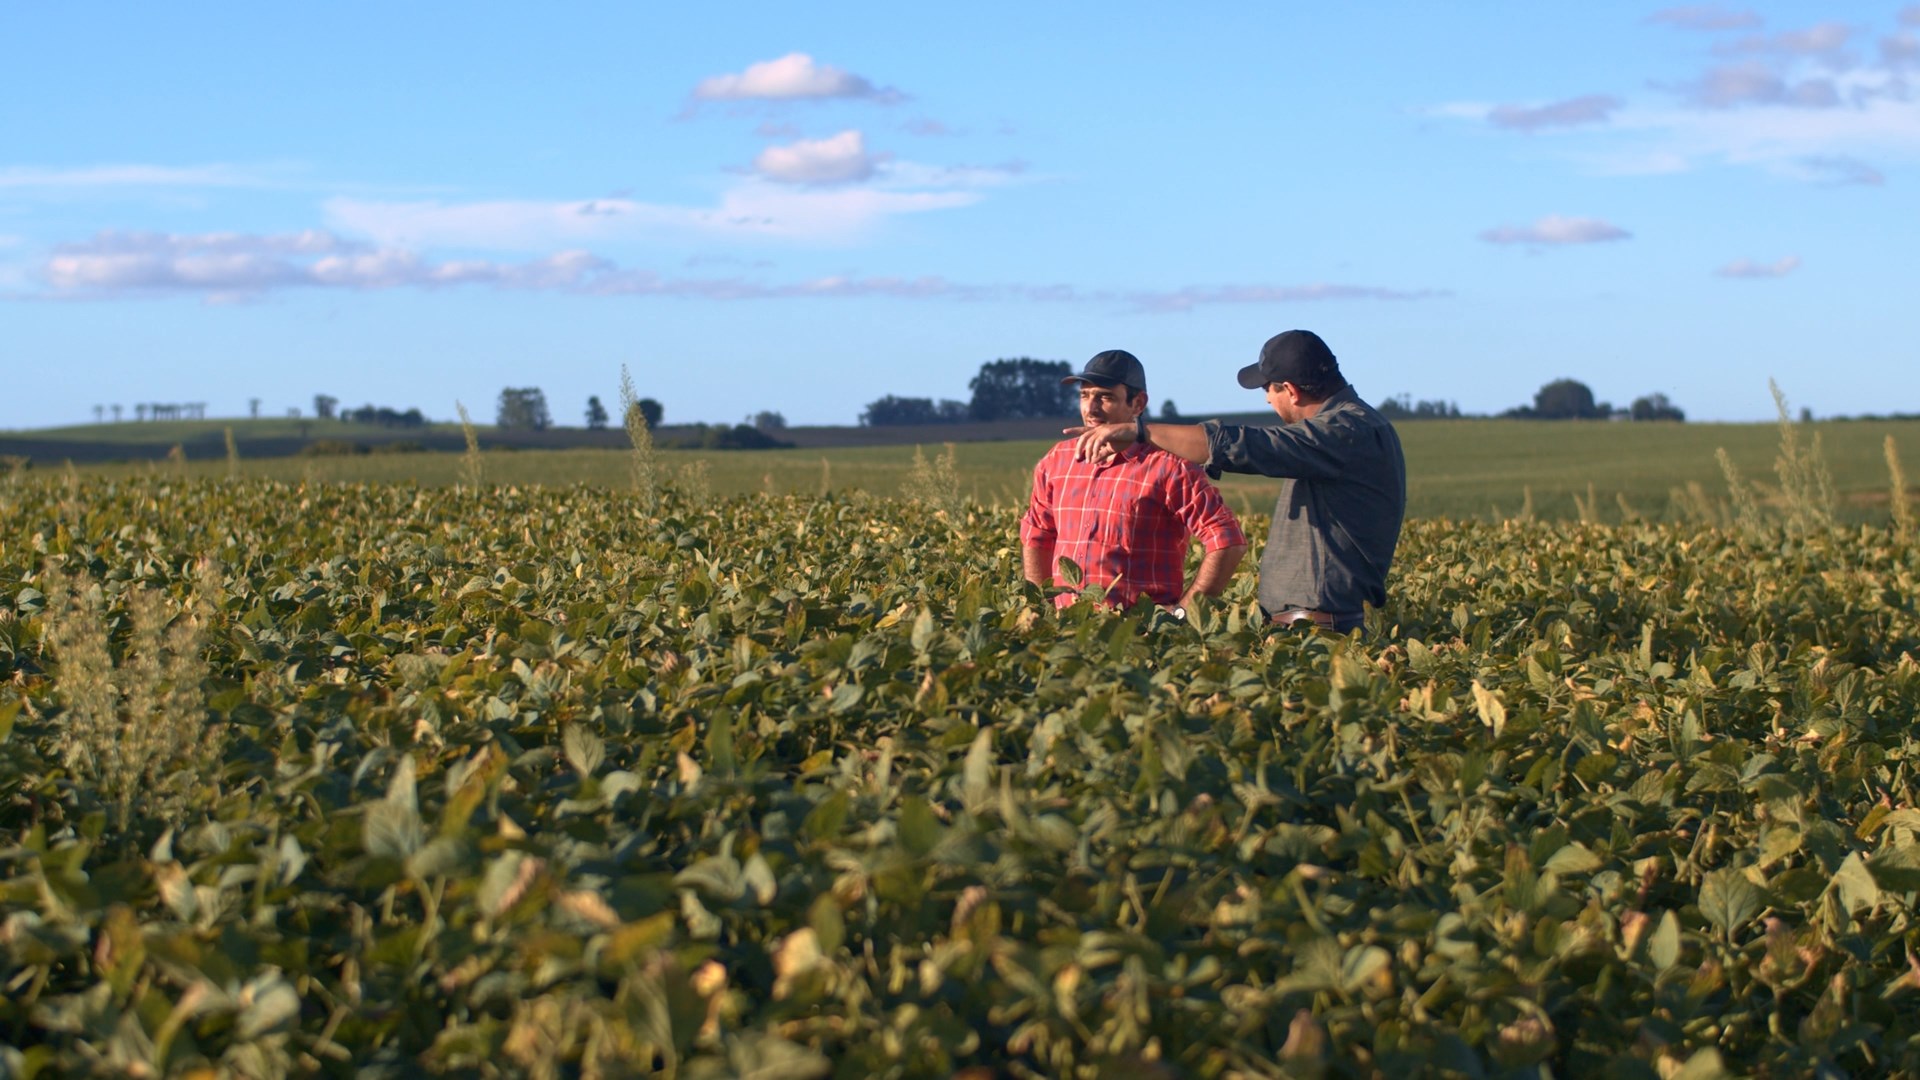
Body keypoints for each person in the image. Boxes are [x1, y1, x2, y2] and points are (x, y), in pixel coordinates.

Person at [1069, 330, 1405, 634]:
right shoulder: (1345, 431)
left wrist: (1140, 431)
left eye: (1268, 391)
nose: (1267, 402)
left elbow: (1250, 446)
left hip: (1323, 631)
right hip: (1315, 626)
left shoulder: (1345, 431)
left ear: (1290, 390)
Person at [1021, 349, 1247, 616]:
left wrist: (1183, 614)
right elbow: (1037, 535)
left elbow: (1228, 540)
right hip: (1067, 630)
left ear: (1138, 404)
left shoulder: (1169, 466)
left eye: (1105, 397)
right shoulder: (1058, 461)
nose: (1091, 408)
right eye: (1085, 395)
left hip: (1139, 632)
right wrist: (1040, 612)